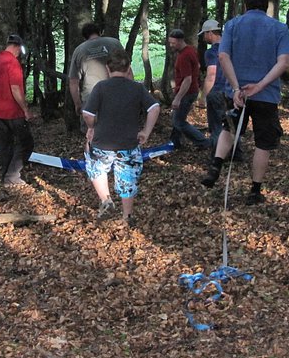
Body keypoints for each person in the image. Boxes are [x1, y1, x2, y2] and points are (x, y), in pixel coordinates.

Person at [200, 0, 289, 205]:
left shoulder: (232, 25)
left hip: (238, 93)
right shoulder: (279, 28)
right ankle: (255, 190)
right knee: (263, 142)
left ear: (245, 5)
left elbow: (223, 56)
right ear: (266, 6)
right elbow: (284, 61)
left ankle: (216, 164)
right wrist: (260, 85)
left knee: (229, 128)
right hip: (266, 95)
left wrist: (235, 88)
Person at [82, 49, 160, 223]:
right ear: (128, 68)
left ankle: (106, 199)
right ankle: (127, 215)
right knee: (128, 177)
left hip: (102, 142)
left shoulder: (101, 87)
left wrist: (91, 127)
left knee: (97, 168)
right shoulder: (137, 88)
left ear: (108, 69)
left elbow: (87, 113)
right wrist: (146, 132)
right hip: (129, 144)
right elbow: (154, 108)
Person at [0, 34, 35, 186]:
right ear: (17, 47)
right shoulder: (12, 62)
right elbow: (15, 89)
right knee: (27, 143)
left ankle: (5, 174)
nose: (19, 53)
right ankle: (12, 176)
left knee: (5, 143)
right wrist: (25, 109)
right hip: (13, 112)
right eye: (20, 49)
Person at [198, 19, 243, 162]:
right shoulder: (232, 48)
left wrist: (203, 96)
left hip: (217, 91)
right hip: (232, 91)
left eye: (205, 34)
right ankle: (236, 154)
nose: (204, 37)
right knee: (232, 124)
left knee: (217, 126)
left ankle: (216, 157)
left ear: (210, 33)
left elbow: (211, 75)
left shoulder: (211, 53)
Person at [68, 23, 126, 122]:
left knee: (92, 133)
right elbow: (127, 70)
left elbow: (73, 82)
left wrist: (77, 104)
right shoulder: (114, 43)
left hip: (91, 100)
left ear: (84, 37)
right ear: (100, 32)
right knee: (117, 131)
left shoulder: (79, 50)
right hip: (117, 95)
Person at [167, 28, 209, 149]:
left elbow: (187, 79)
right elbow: (198, 65)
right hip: (190, 91)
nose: (171, 45)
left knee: (178, 121)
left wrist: (178, 98)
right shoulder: (190, 50)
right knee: (177, 117)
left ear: (180, 41)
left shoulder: (184, 56)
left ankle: (203, 142)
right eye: (170, 42)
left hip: (187, 92)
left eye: (173, 43)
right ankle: (175, 142)